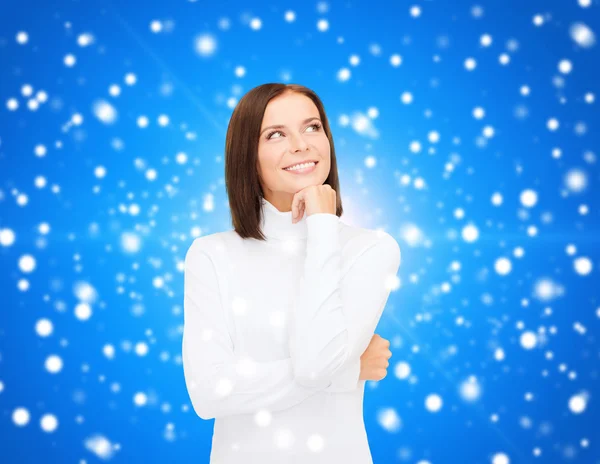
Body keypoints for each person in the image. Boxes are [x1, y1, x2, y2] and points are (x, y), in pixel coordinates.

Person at [182, 83, 401, 463]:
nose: (301, 144)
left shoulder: (371, 249)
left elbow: (316, 366)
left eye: (312, 127)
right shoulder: (211, 254)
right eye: (276, 134)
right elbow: (209, 393)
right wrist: (347, 372)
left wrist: (321, 225)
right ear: (247, 156)